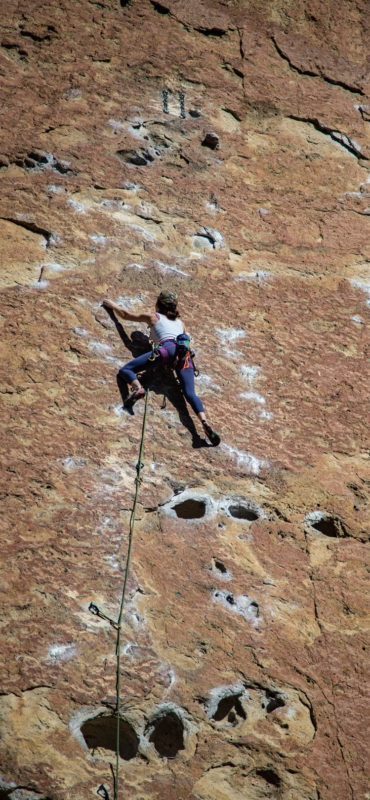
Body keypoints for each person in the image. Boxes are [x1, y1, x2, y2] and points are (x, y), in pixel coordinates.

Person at [103, 290, 220, 446]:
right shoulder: (180, 323)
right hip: (184, 357)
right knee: (190, 394)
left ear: (158, 304)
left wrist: (110, 305)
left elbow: (125, 315)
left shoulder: (153, 317)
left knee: (126, 370)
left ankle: (137, 388)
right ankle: (203, 422)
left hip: (166, 350)